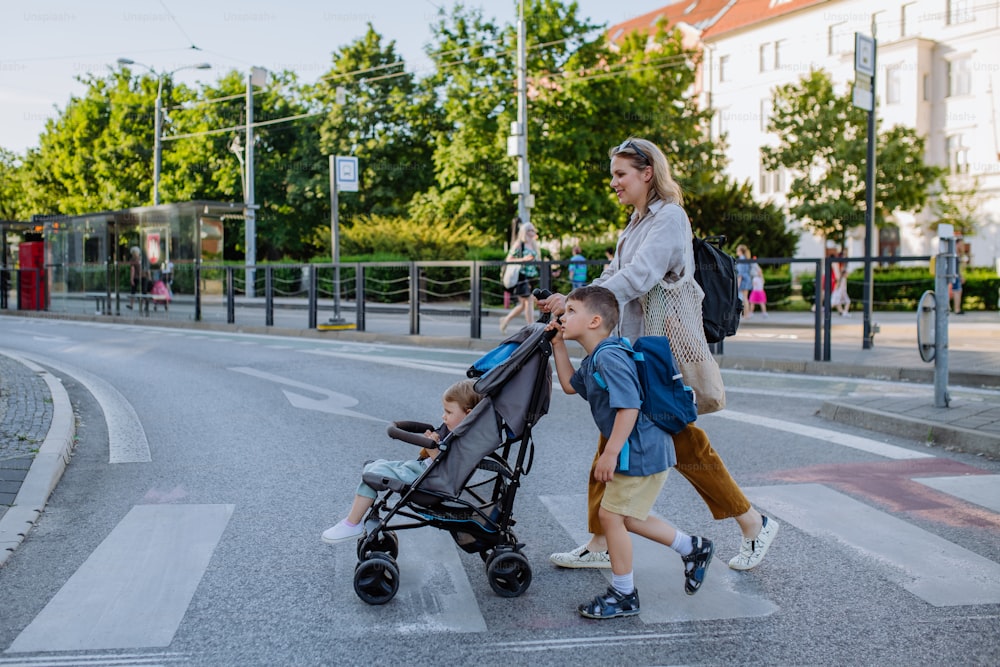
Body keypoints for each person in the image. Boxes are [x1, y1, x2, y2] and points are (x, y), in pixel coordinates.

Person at [538, 137, 779, 572]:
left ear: (647, 173)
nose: (613, 183)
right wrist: (573, 300)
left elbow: (639, 276)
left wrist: (580, 303)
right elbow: (612, 276)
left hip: (659, 354)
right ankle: (600, 540)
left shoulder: (669, 219)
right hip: (634, 350)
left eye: (620, 174)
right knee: (611, 431)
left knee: (684, 442)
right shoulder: (633, 225)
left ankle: (752, 521)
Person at [547, 285, 714, 618]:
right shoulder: (596, 356)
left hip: (640, 449)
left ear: (595, 321)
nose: (562, 317)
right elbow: (569, 385)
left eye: (570, 312)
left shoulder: (609, 356)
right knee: (627, 517)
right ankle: (692, 547)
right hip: (642, 448)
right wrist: (557, 347)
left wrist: (609, 454)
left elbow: (629, 407)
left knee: (611, 517)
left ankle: (623, 593)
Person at [321, 379, 483, 544]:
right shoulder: (462, 433)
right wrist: (435, 443)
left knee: (373, 474)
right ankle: (353, 521)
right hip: (423, 472)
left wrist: (433, 450)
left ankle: (352, 524)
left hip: (429, 483)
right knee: (375, 466)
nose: (443, 416)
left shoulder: (467, 441)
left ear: (468, 414)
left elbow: (450, 470)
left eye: (448, 412)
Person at [499, 222, 540, 335]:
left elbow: (536, 261)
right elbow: (509, 259)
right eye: (530, 230)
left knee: (523, 305)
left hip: (532, 276)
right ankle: (531, 327)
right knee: (529, 300)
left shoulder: (534, 244)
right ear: (525, 232)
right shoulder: (519, 244)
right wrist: (523, 259)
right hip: (521, 276)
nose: (533, 232)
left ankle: (505, 320)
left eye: (533, 230)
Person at [736, 245, 753, 318]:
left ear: (740, 251)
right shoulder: (746, 258)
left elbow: (740, 273)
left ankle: (746, 314)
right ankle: (746, 314)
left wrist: (738, 283)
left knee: (744, 298)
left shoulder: (741, 259)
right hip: (747, 279)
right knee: (745, 297)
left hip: (743, 280)